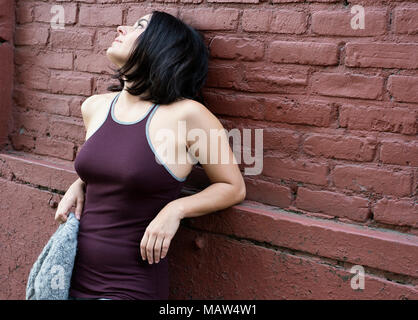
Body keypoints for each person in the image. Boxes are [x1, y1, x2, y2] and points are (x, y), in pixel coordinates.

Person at [54, 10, 246, 300]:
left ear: (162, 46)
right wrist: (81, 182)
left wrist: (175, 210)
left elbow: (233, 187)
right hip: (70, 276)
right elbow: (112, 166)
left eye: (139, 26)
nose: (121, 28)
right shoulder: (94, 107)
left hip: (129, 286)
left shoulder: (187, 115)